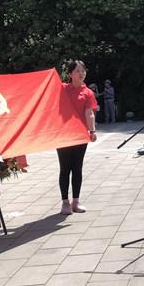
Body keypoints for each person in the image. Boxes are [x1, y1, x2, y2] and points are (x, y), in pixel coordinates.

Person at [59, 60, 97, 215]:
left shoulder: (88, 92)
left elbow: (89, 112)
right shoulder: (62, 89)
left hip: (80, 135)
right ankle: (65, 202)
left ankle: (76, 201)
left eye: (83, 70)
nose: (81, 73)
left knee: (77, 168)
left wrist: (92, 131)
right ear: (70, 74)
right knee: (65, 168)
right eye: (77, 71)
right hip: (63, 135)